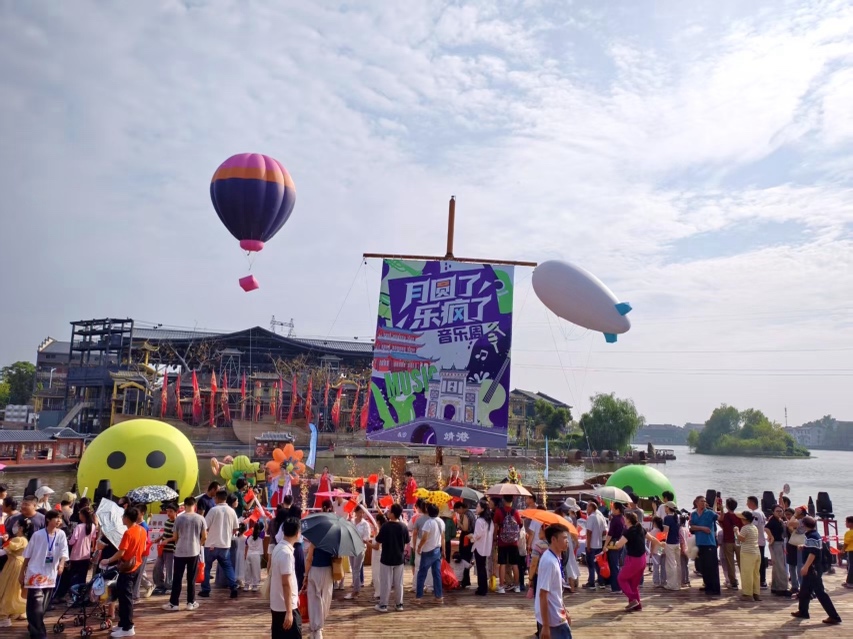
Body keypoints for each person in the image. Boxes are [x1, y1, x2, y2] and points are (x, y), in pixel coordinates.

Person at [99, 507, 146, 638]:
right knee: (123, 594)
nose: (122, 519)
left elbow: (121, 552)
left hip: (127, 568)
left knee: (125, 598)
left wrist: (108, 560)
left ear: (127, 518)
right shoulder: (142, 530)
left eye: (123, 516)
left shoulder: (128, 533)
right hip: (136, 564)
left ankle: (128, 627)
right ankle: (122, 623)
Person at [21, 510, 68, 638]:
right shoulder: (38, 535)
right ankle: (39, 634)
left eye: (60, 518)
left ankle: (33, 626)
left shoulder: (61, 534)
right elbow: (27, 555)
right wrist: (22, 573)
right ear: (48, 519)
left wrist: (62, 563)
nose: (59, 521)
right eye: (56, 518)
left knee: (42, 606)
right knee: (36, 604)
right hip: (34, 572)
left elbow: (64, 551)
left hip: (50, 574)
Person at [791, 516, 842, 625]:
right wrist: (803, 547)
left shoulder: (812, 537)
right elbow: (813, 549)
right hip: (813, 567)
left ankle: (834, 616)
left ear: (804, 525)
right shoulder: (813, 535)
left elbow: (813, 553)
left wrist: (805, 567)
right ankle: (803, 611)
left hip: (812, 568)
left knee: (820, 592)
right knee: (804, 589)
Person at [163, 496, 207, 612]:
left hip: (179, 552)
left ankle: (174, 603)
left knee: (177, 577)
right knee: (191, 578)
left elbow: (175, 537)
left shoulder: (179, 519)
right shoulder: (200, 518)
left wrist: (179, 544)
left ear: (185, 505)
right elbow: (204, 536)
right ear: (195, 505)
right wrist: (198, 544)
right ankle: (191, 602)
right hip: (194, 551)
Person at [610, 512, 661, 612]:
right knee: (633, 585)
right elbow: (652, 538)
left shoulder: (628, 532)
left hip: (633, 560)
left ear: (628, 520)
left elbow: (618, 545)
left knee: (621, 579)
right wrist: (661, 544)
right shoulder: (640, 528)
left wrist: (612, 544)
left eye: (625, 518)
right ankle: (637, 606)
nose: (623, 519)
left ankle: (633, 599)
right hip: (642, 560)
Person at [535, 523, 572, 639]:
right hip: (553, 620)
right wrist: (546, 626)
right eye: (564, 538)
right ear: (554, 539)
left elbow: (555, 590)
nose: (567, 541)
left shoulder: (555, 557)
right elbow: (543, 594)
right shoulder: (549, 562)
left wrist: (564, 610)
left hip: (557, 615)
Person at [201, 489, 239, 599]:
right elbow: (236, 528)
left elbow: (205, 526)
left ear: (217, 498)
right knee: (228, 567)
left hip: (211, 544)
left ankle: (206, 590)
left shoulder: (213, 510)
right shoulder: (232, 511)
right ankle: (233, 588)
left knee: (207, 567)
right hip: (225, 545)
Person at [373, 503, 409, 613]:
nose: (388, 512)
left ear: (393, 514)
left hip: (386, 558)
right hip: (399, 558)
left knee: (386, 582)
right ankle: (399, 604)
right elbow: (407, 541)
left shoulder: (385, 526)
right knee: (399, 583)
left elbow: (378, 540)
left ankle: (383, 605)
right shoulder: (403, 526)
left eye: (389, 511)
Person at [270, 517, 302, 638]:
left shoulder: (278, 548)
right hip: (285, 607)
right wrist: (289, 612)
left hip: (278, 604)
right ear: (298, 533)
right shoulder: (286, 553)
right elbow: (286, 583)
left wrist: (295, 595)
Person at [0, 516, 31, 628]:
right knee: (14, 590)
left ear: (21, 528)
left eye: (16, 525)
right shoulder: (23, 539)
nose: (14, 527)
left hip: (14, 565)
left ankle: (4, 616)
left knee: (7, 590)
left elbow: (3, 552)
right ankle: (19, 611)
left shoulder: (19, 540)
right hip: (16, 564)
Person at [302, 534, 335, 636]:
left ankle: (315, 627)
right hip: (328, 571)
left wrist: (305, 575)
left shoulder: (315, 540)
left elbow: (309, 559)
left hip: (315, 570)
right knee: (325, 597)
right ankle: (320, 626)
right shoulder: (333, 541)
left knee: (313, 598)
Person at [689, 495, 720, 595]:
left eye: (705, 501)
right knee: (703, 567)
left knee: (712, 566)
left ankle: (714, 588)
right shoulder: (693, 514)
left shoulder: (710, 513)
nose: (704, 503)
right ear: (697, 503)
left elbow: (721, 518)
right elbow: (692, 527)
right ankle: (707, 585)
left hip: (710, 543)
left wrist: (722, 508)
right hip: (699, 543)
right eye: (702, 501)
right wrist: (702, 528)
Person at [415, 503, 444, 604]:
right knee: (436, 574)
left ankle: (418, 597)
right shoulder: (441, 521)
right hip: (437, 549)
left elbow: (424, 537)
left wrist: (419, 547)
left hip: (428, 551)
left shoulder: (428, 522)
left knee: (421, 574)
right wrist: (443, 550)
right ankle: (439, 596)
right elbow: (443, 537)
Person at [494, 494, 522, 593]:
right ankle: (517, 586)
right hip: (514, 542)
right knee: (515, 564)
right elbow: (520, 524)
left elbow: (496, 526)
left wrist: (495, 539)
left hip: (502, 541)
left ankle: (501, 586)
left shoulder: (499, 511)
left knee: (502, 564)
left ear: (503, 500)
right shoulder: (515, 512)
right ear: (512, 500)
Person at [65, 506, 97, 593]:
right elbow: (93, 538)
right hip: (86, 555)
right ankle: (81, 593)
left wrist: (68, 540)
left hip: (76, 555)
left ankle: (73, 593)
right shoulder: (93, 526)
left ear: (83, 516)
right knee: (82, 576)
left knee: (73, 576)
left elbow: (72, 541)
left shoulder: (79, 527)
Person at [468, 499, 494, 597]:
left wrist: (472, 537)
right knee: (482, 567)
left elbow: (477, 534)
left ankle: (482, 588)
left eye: (478, 506)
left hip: (479, 546)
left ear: (482, 509)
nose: (476, 508)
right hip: (486, 545)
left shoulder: (479, 520)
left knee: (480, 568)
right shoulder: (489, 520)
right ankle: (483, 587)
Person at [344, 508, 371, 600]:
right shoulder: (351, 521)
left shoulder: (365, 524)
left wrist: (358, 538)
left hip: (360, 547)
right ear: (355, 512)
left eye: (362, 512)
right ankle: (355, 589)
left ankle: (356, 590)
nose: (360, 514)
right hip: (351, 547)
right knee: (353, 568)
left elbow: (367, 537)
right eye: (359, 512)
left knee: (356, 569)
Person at [717, 497, 743, 590]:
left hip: (728, 541)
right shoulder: (740, 516)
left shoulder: (725, 516)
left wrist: (721, 509)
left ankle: (733, 582)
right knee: (741, 562)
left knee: (730, 563)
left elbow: (720, 523)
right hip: (738, 541)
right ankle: (745, 580)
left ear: (727, 506)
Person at [153, 502, 177, 595]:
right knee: (157, 567)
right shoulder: (167, 521)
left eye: (171, 511)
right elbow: (165, 533)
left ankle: (169, 586)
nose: (169, 514)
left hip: (171, 549)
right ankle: (159, 584)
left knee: (169, 569)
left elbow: (176, 537)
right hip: (162, 548)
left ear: (176, 512)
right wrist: (159, 538)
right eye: (167, 511)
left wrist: (167, 540)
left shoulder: (177, 522)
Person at [736, 510, 761, 601]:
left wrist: (736, 531)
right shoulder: (754, 527)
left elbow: (741, 538)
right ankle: (756, 593)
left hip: (747, 553)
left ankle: (748, 594)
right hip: (756, 552)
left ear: (744, 519)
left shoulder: (745, 528)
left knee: (747, 573)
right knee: (755, 573)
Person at [601, 501, 626, 593]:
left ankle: (616, 587)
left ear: (617, 510)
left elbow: (610, 534)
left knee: (614, 566)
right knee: (617, 565)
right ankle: (618, 585)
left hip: (613, 544)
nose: (611, 509)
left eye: (613, 508)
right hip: (620, 543)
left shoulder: (615, 519)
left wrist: (605, 545)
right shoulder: (622, 518)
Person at [583, 500, 607, 591]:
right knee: (598, 564)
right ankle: (601, 582)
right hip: (599, 545)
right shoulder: (600, 517)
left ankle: (591, 583)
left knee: (591, 565)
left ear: (592, 508)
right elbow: (604, 531)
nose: (586, 509)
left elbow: (589, 532)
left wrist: (588, 545)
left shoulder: (591, 517)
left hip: (592, 545)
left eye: (588, 507)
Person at [766, 505, 789, 595]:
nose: (779, 513)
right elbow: (766, 528)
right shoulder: (773, 521)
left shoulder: (780, 520)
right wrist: (771, 537)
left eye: (781, 511)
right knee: (780, 567)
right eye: (777, 511)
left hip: (780, 544)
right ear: (773, 512)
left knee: (778, 566)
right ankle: (782, 588)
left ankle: (775, 587)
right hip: (776, 544)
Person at [746, 496, 768, 588]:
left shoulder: (755, 513)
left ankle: (761, 580)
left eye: (748, 502)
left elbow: (752, 527)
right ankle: (762, 580)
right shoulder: (761, 512)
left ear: (752, 503)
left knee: (757, 562)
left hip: (756, 541)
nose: (746, 504)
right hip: (761, 539)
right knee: (761, 561)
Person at [453, 501, 476, 588]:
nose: (457, 512)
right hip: (469, 538)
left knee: (464, 559)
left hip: (466, 538)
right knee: (467, 559)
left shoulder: (466, 514)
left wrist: (459, 523)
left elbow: (465, 528)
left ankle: (464, 580)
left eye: (457, 510)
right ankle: (465, 580)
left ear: (461, 508)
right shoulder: (470, 513)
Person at [661, 501, 681, 591]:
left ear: (668, 508)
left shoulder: (667, 518)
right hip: (677, 542)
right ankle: (678, 583)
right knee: (678, 564)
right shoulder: (677, 517)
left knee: (670, 565)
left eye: (665, 507)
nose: (664, 509)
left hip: (670, 543)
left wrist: (661, 544)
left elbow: (665, 532)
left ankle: (671, 584)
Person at [244, 521, 265, 591]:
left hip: (249, 554)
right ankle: (254, 586)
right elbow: (266, 527)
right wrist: (264, 519)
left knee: (248, 570)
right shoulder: (261, 536)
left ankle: (246, 585)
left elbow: (246, 546)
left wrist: (245, 555)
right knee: (256, 570)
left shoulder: (249, 537)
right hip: (256, 555)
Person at [844, 515, 853, 589]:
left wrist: (842, 550)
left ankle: (850, 582)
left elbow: (846, 543)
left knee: (851, 567)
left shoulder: (849, 533)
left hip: (851, 551)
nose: (845, 524)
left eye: (846, 522)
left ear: (851, 523)